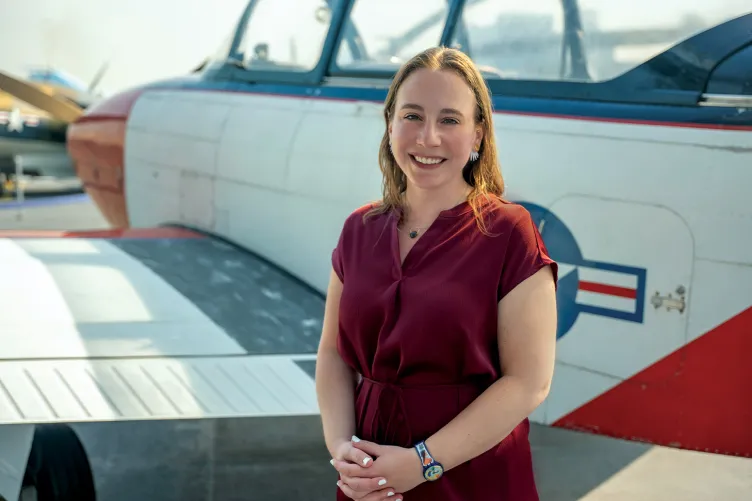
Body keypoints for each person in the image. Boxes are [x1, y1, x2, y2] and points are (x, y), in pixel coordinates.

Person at [315, 46, 558, 501]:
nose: (427, 138)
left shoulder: (509, 231)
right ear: (390, 125)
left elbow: (529, 381)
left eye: (449, 120)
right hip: (370, 480)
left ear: (478, 135)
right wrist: (343, 450)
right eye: (412, 116)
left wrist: (422, 462)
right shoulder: (358, 229)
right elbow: (334, 355)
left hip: (471, 475)